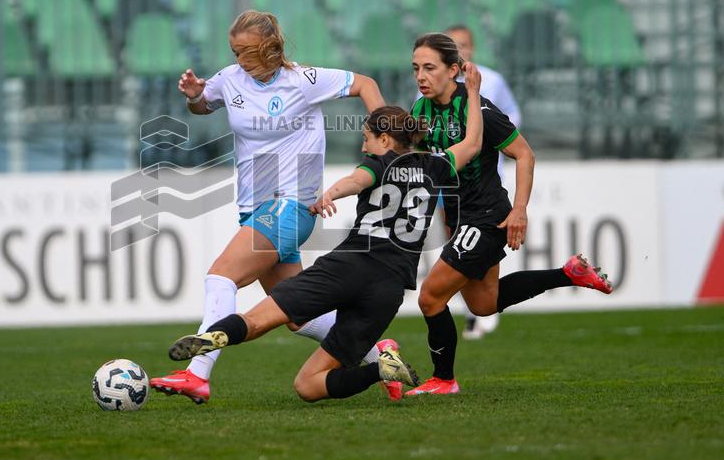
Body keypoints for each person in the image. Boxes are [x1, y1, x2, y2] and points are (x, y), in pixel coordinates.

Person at [165, 86, 484, 403]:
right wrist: (472, 92)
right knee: (307, 385)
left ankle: (218, 337)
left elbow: (357, 180)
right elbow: (472, 143)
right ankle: (380, 368)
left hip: (350, 266)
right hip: (389, 290)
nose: (364, 147)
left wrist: (330, 193)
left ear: (385, 141)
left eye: (367, 138)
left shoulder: (380, 163)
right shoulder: (436, 165)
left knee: (261, 319)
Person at [149, 10, 385, 404]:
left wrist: (385, 131)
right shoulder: (229, 78)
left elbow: (365, 84)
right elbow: (204, 106)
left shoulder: (304, 81)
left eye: (246, 52)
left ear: (269, 49)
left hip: (292, 205)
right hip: (256, 209)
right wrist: (194, 97)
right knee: (298, 316)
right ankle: (382, 354)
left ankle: (196, 374)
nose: (239, 60)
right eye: (234, 51)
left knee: (221, 277)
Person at [405, 33, 613, 397]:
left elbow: (524, 154)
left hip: (487, 216)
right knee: (484, 305)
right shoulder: (420, 112)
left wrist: (520, 210)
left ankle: (444, 379)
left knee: (430, 297)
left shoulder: (479, 110)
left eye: (429, 68)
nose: (421, 76)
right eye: (416, 68)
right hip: (459, 216)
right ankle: (569, 273)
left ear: (454, 70)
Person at [446, 24, 522, 340]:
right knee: (455, 243)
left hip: (486, 179)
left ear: (473, 48)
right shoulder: (433, 84)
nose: (459, 50)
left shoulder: (491, 81)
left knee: (477, 246)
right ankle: (476, 310)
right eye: (452, 46)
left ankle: (479, 313)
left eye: (463, 44)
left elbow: (512, 116)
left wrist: (491, 138)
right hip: (449, 183)